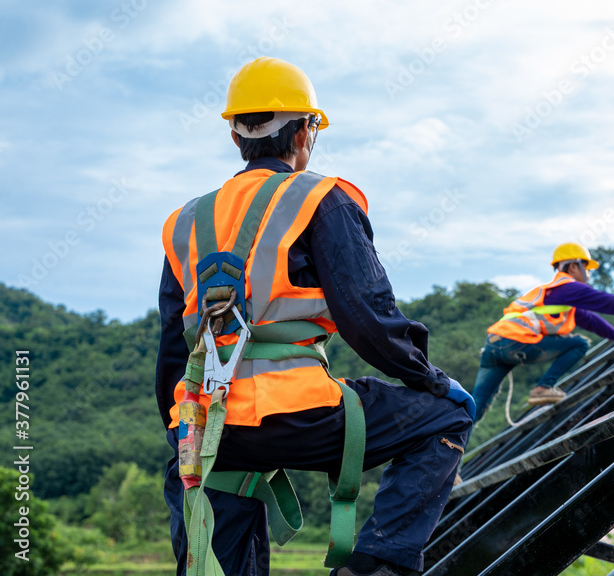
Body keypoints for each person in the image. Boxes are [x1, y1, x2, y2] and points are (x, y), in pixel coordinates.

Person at [155, 56, 474, 576]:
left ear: (237, 137)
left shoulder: (186, 220)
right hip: (297, 411)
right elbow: (368, 317)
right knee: (447, 415)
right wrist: (430, 378)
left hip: (207, 425)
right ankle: (374, 567)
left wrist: (182, 434)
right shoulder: (320, 198)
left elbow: (174, 346)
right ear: (305, 131)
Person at [471, 242, 614, 422]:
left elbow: (590, 320)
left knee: (475, 408)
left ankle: (451, 459)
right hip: (515, 342)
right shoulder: (567, 288)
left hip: (493, 345)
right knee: (579, 344)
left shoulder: (556, 296)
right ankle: (543, 388)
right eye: (586, 267)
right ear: (574, 266)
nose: (588, 274)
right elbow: (607, 302)